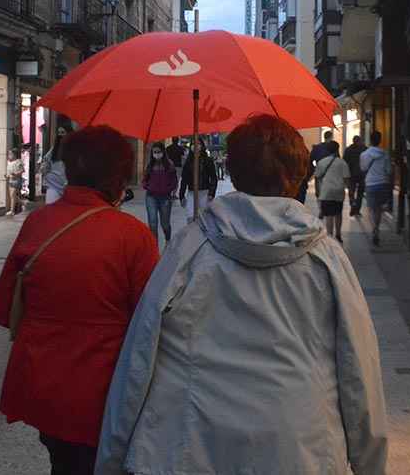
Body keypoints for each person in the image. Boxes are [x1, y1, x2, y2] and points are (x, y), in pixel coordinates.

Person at [96, 114, 388, 475]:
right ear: (300, 175)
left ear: (233, 173)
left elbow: (140, 352)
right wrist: (369, 462)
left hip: (189, 445)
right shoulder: (327, 260)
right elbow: (358, 367)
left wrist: (112, 454)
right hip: (299, 447)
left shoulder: (190, 247)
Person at [0, 126, 160, 475]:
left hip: (41, 384)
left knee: (62, 463)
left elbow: (3, 308)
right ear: (119, 176)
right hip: (103, 391)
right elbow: (151, 324)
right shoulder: (133, 236)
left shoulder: (38, 222)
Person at [360, 131, 393, 247]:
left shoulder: (364, 155)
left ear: (370, 140)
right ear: (380, 140)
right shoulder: (385, 154)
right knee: (378, 209)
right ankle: (377, 228)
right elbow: (389, 171)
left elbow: (363, 168)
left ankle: (374, 228)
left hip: (370, 184)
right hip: (383, 183)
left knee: (370, 208)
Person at [315, 140, 351, 243]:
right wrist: (351, 194)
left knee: (328, 215)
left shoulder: (322, 162)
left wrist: (318, 191)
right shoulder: (342, 163)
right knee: (338, 213)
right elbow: (347, 179)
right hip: (339, 191)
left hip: (326, 191)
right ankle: (338, 234)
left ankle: (330, 236)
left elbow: (317, 177)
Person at [142, 142, 178, 244]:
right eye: (155, 152)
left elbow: (174, 181)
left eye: (159, 152)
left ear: (163, 152)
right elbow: (144, 179)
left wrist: (169, 190)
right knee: (152, 222)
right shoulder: (150, 165)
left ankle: (168, 239)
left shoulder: (169, 165)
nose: (157, 154)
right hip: (151, 196)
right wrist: (147, 186)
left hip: (165, 197)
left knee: (165, 223)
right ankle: (154, 245)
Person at [178, 138, 218, 220]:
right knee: (190, 217)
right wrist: (181, 195)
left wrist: (211, 193)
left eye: (198, 143)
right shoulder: (188, 162)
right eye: (193, 143)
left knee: (204, 219)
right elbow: (184, 180)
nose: (195, 146)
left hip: (204, 193)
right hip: (191, 193)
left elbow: (213, 178)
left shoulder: (208, 160)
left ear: (202, 146)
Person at [42, 126, 69, 204]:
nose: (60, 135)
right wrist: (45, 170)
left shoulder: (73, 149)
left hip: (67, 187)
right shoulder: (54, 149)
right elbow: (46, 161)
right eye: (59, 133)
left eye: (63, 132)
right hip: (53, 185)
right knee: (51, 210)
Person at [344, 135, 367, 217]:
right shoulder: (364, 149)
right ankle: (357, 209)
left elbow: (345, 162)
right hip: (361, 174)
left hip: (351, 174)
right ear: (359, 141)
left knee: (351, 192)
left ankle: (352, 205)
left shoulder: (348, 150)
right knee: (360, 193)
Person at [6, 148, 24, 215]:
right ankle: (21, 203)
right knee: (12, 195)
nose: (9, 155)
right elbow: (8, 172)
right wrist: (7, 175)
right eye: (9, 154)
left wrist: (16, 174)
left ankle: (12, 210)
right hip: (10, 180)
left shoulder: (18, 161)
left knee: (13, 195)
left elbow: (22, 170)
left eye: (10, 154)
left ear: (14, 155)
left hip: (16, 180)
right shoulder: (9, 162)